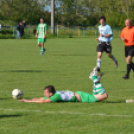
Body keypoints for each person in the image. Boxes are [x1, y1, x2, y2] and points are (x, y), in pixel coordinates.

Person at [19, 67, 108, 103]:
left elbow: (42, 101)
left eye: (45, 93)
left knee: (104, 96)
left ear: (50, 93)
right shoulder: (53, 94)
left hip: (81, 97)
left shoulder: (55, 97)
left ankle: (94, 78)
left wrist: (27, 101)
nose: (44, 95)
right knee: (97, 97)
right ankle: (96, 80)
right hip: (79, 95)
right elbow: (40, 98)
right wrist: (27, 99)